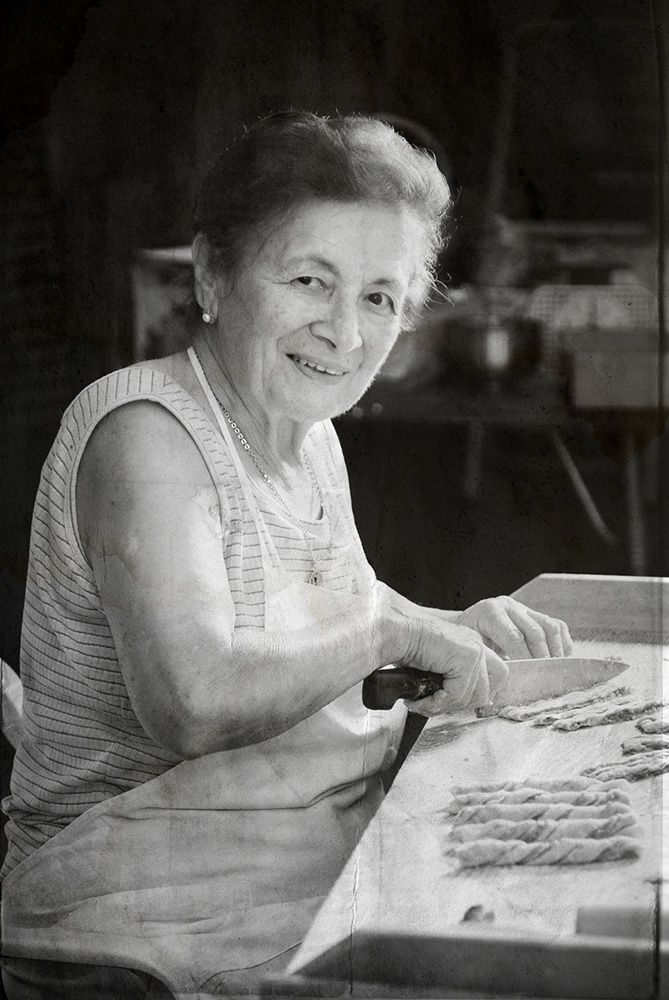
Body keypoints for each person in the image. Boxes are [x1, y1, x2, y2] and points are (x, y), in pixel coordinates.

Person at [0, 111, 572, 999]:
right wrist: (390, 633)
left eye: (379, 298)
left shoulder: (304, 436)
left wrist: (453, 626)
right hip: (134, 921)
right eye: (310, 280)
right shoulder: (147, 434)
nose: (344, 332)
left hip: (286, 870)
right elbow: (193, 700)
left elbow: (324, 617)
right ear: (212, 275)